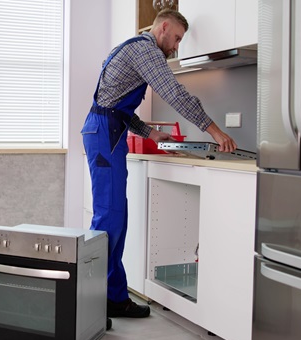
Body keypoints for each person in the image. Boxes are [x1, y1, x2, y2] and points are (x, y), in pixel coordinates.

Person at [81, 8, 238, 319]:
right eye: (177, 38)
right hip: (104, 134)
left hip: (106, 132)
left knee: (116, 220)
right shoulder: (145, 50)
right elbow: (175, 94)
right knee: (108, 220)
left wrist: (154, 135)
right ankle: (90, 303)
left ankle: (112, 298)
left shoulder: (130, 48)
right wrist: (215, 130)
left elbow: (120, 110)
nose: (177, 46)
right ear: (164, 27)